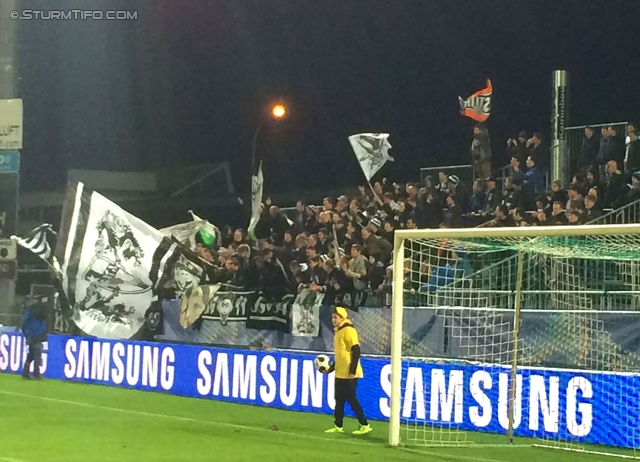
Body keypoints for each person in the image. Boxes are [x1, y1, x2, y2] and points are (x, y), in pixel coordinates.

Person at [323, 307, 371, 435]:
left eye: (336, 317)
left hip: (349, 372)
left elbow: (356, 351)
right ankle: (338, 425)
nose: (333, 320)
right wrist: (331, 369)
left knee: (351, 398)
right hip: (340, 372)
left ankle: (365, 424)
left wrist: (352, 370)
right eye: (332, 317)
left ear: (342, 318)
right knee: (339, 399)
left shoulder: (349, 330)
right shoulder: (338, 331)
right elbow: (340, 356)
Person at [21, 296, 48, 380]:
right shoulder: (35, 311)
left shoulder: (28, 313)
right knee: (37, 354)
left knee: (31, 355)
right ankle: (36, 374)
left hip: (31, 335)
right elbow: (43, 315)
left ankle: (25, 373)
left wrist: (26, 334)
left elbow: (24, 325)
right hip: (36, 335)